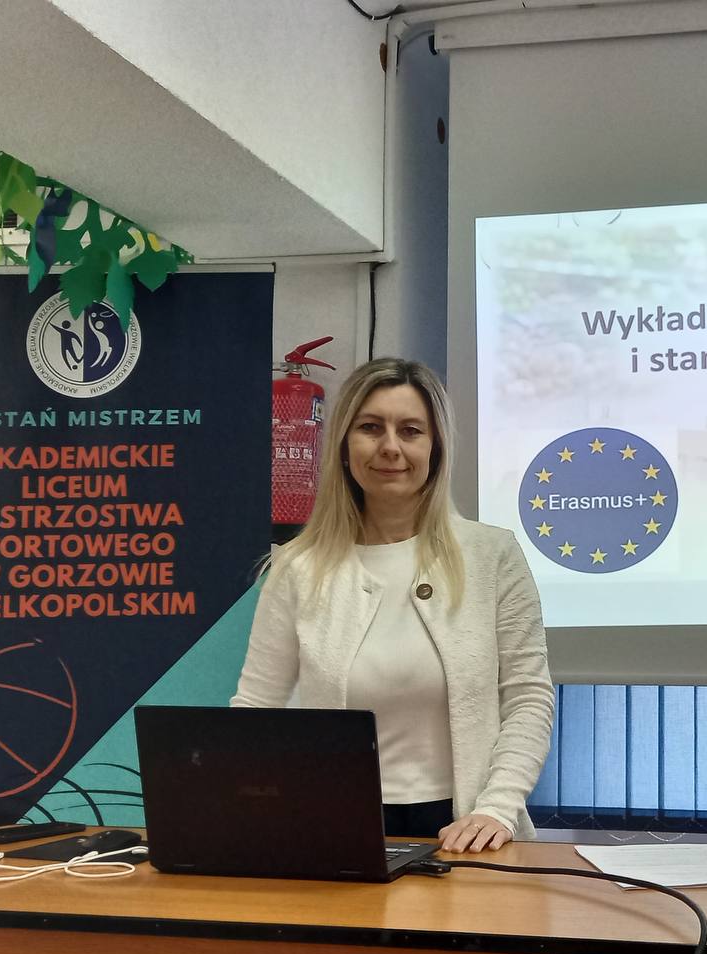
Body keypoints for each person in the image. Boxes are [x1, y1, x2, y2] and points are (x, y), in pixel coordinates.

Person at [233, 357, 554, 852]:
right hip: (335, 825)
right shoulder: (297, 568)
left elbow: (528, 699)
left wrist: (497, 808)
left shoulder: (493, 555)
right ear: (344, 445)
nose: (390, 447)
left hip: (468, 829)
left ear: (435, 447)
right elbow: (256, 708)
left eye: (410, 430)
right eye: (370, 428)